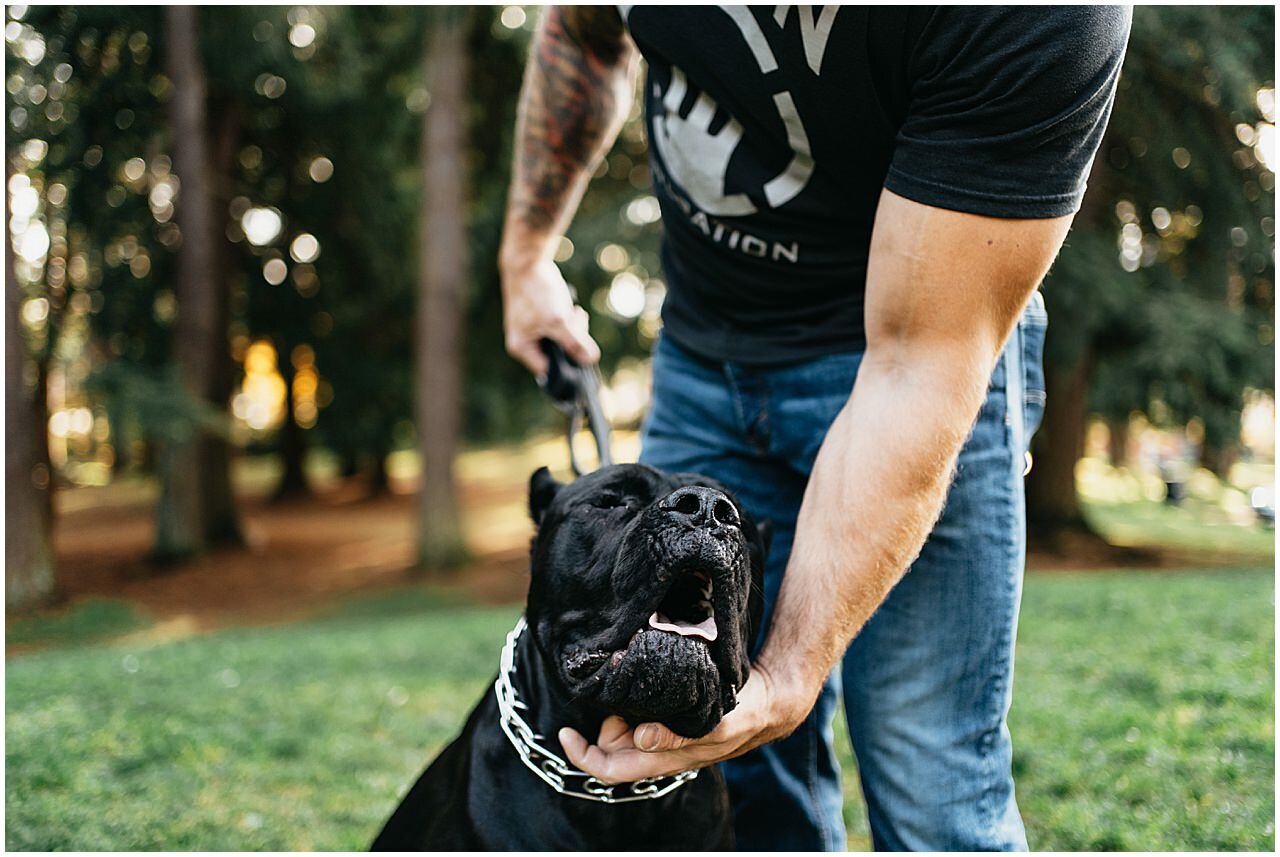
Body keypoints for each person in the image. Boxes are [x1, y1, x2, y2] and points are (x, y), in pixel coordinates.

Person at [498, 6, 1132, 851]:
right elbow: (582, 33)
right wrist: (527, 254)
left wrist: (788, 673)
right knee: (739, 786)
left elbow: (915, 366)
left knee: (933, 782)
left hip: (917, 353)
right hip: (702, 344)